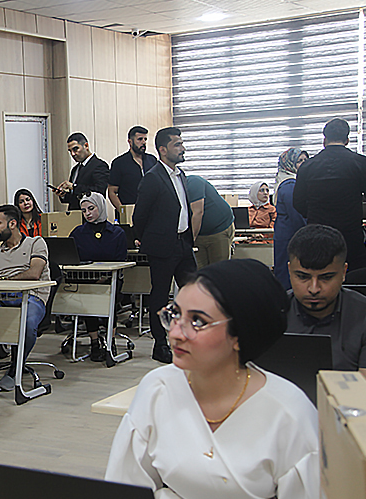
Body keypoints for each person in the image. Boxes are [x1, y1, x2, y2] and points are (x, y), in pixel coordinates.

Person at [105, 259, 319, 499]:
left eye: (198, 322)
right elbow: (126, 484)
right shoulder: (158, 387)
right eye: (175, 314)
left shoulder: (288, 413)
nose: (175, 333)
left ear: (240, 335)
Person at [0, 205, 51, 391]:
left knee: (27, 324)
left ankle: (15, 370)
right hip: (1, 297)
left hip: (31, 297)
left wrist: (4, 279)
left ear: (12, 224)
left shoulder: (36, 243)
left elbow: (34, 273)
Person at [133, 127, 197, 363]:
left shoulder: (181, 175)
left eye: (182, 143)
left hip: (183, 243)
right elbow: (139, 216)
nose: (182, 148)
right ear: (162, 149)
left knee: (194, 293)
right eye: (177, 144)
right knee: (160, 296)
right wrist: (149, 238)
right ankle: (160, 345)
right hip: (162, 246)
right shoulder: (153, 178)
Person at [285, 224, 366, 370]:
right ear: (289, 271)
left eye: (326, 278)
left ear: (344, 272)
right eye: (303, 277)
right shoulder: (269, 314)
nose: (314, 289)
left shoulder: (363, 316)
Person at [294, 117, 366, 270]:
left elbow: (298, 202)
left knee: (320, 274)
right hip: (350, 234)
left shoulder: (307, 166)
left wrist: (316, 215)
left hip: (317, 234)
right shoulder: (360, 163)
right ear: (347, 140)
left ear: (324, 140)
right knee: (354, 276)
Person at [69, 192, 127, 361]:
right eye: (84, 210)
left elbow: (121, 261)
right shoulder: (78, 233)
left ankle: (111, 341)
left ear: (100, 207)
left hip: (111, 281)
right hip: (86, 281)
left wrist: (104, 277)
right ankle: (94, 342)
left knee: (109, 301)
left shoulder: (117, 233)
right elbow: (73, 259)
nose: (87, 213)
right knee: (88, 301)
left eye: (91, 208)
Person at [274, 148, 309, 289]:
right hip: (290, 236)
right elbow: (297, 215)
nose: (304, 164)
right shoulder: (289, 185)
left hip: (288, 234)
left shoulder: (295, 182)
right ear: (289, 164)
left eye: (306, 160)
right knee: (288, 275)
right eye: (300, 161)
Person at [185, 175, 234, 268]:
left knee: (218, 269)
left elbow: (198, 212)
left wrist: (191, 240)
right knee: (200, 271)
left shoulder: (193, 182)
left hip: (219, 229)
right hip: (198, 234)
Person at [108, 126, 157, 216]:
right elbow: (112, 191)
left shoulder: (152, 160)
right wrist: (123, 211)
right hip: (130, 211)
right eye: (140, 139)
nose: (143, 142)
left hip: (151, 212)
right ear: (130, 142)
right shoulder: (119, 163)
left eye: (145, 139)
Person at [56, 132, 111, 210]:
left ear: (86, 146)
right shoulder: (75, 169)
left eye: (75, 149)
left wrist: (74, 187)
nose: (73, 154)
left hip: (91, 213)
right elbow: (75, 197)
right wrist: (63, 195)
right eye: (70, 151)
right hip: (74, 214)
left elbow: (99, 191)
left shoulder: (99, 165)